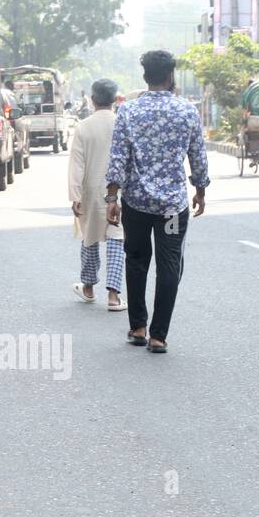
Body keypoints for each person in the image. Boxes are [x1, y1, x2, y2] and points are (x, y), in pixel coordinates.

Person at [105, 49, 210, 353]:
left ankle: (137, 327)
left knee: (136, 262)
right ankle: (158, 336)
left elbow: (118, 159)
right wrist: (200, 189)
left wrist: (112, 196)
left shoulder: (128, 111)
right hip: (173, 208)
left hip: (136, 203)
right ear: (170, 76)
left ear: (145, 76)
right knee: (169, 265)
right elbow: (197, 157)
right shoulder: (187, 111)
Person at [69, 79, 125, 310]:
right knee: (116, 239)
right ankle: (113, 296)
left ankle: (89, 287)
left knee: (90, 238)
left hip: (90, 190)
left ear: (93, 100)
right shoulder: (122, 123)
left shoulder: (83, 127)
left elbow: (76, 165)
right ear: (114, 100)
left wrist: (75, 196)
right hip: (119, 191)